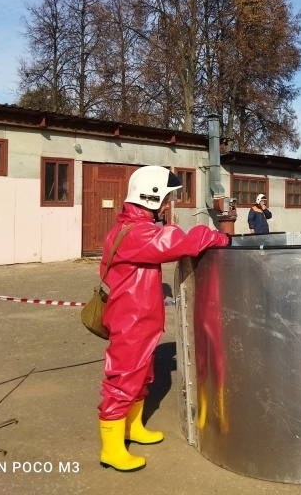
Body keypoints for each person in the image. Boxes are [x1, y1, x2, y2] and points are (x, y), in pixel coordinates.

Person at [98, 165, 230, 472]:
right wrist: (215, 237)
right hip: (131, 320)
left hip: (139, 318)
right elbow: (178, 242)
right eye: (167, 198)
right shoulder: (137, 232)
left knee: (142, 375)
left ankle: (132, 428)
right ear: (152, 198)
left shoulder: (132, 227)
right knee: (123, 380)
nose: (169, 203)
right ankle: (111, 448)